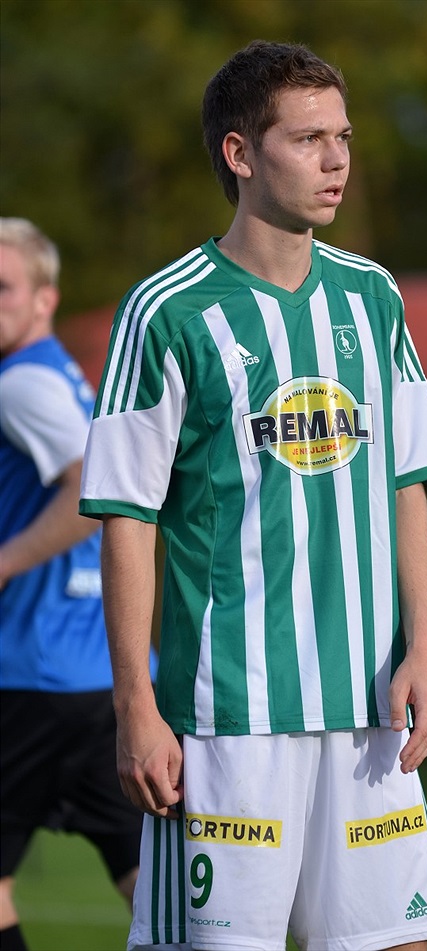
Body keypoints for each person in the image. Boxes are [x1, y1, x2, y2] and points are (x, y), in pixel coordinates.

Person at [80, 40, 427, 951]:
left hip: (369, 710)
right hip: (227, 716)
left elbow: (406, 477)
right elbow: (126, 514)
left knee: (396, 943)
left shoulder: (373, 297)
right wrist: (135, 699)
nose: (337, 161)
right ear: (240, 154)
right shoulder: (165, 311)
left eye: (344, 137)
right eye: (307, 139)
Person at [0, 218, 157, 951]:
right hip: (99, 678)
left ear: (43, 299)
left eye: (3, 287)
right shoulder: (62, 373)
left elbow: (88, 492)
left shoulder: (22, 381)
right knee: (149, 882)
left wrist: (4, 560)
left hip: (33, 675)